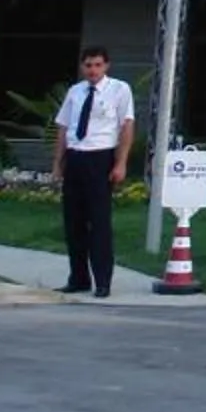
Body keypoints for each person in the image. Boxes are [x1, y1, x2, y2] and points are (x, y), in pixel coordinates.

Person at [50, 45, 136, 299]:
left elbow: (126, 127)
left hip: (100, 158)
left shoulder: (119, 90)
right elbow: (63, 128)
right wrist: (58, 163)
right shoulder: (75, 92)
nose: (93, 70)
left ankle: (103, 281)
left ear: (106, 66)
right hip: (76, 157)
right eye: (88, 65)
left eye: (97, 65)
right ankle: (78, 278)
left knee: (98, 221)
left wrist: (120, 163)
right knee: (73, 222)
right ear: (82, 67)